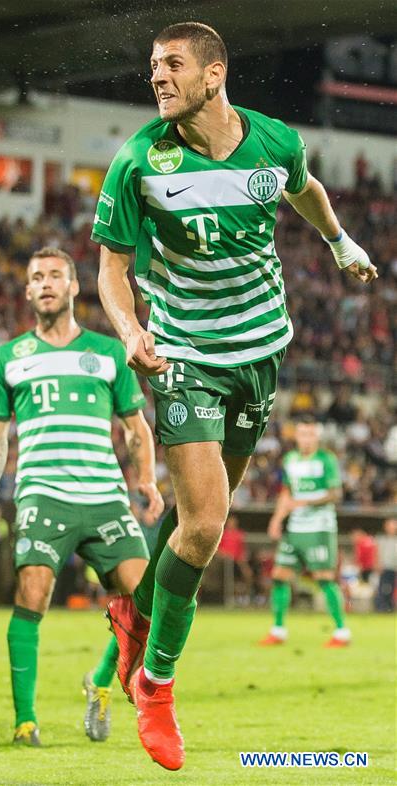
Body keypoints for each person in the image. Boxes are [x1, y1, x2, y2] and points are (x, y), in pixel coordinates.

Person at [92, 21, 376, 770]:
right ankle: (155, 685)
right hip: (184, 356)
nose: (156, 77)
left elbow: (304, 189)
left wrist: (339, 242)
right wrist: (127, 330)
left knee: (190, 524)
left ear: (213, 75)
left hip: (260, 354)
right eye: (153, 67)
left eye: (172, 66)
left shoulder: (273, 142)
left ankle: (131, 612)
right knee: (206, 523)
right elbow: (110, 270)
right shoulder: (136, 161)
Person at [0, 248, 163, 746]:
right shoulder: (7, 358)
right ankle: (25, 721)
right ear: (28, 291)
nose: (46, 283)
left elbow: (135, 426)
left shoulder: (107, 352)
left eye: (56, 275)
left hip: (105, 497)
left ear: (75, 286)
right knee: (31, 594)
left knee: (147, 603)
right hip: (43, 494)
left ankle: (99, 683)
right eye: (36, 277)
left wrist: (146, 478)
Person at [259, 418, 349, 647]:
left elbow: (335, 493)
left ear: (317, 437)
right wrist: (277, 519)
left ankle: (341, 631)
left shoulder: (326, 459)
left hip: (320, 527)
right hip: (295, 527)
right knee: (279, 575)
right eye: (302, 434)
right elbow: (286, 493)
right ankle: (278, 630)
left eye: (310, 434)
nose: (306, 439)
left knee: (324, 579)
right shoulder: (290, 459)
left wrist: (306, 501)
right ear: (296, 436)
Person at [374, 518, 397, 612]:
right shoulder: (381, 539)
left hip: (394, 568)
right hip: (384, 568)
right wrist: (377, 564)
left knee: (391, 588)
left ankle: (389, 606)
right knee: (384, 588)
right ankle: (382, 606)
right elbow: (377, 553)